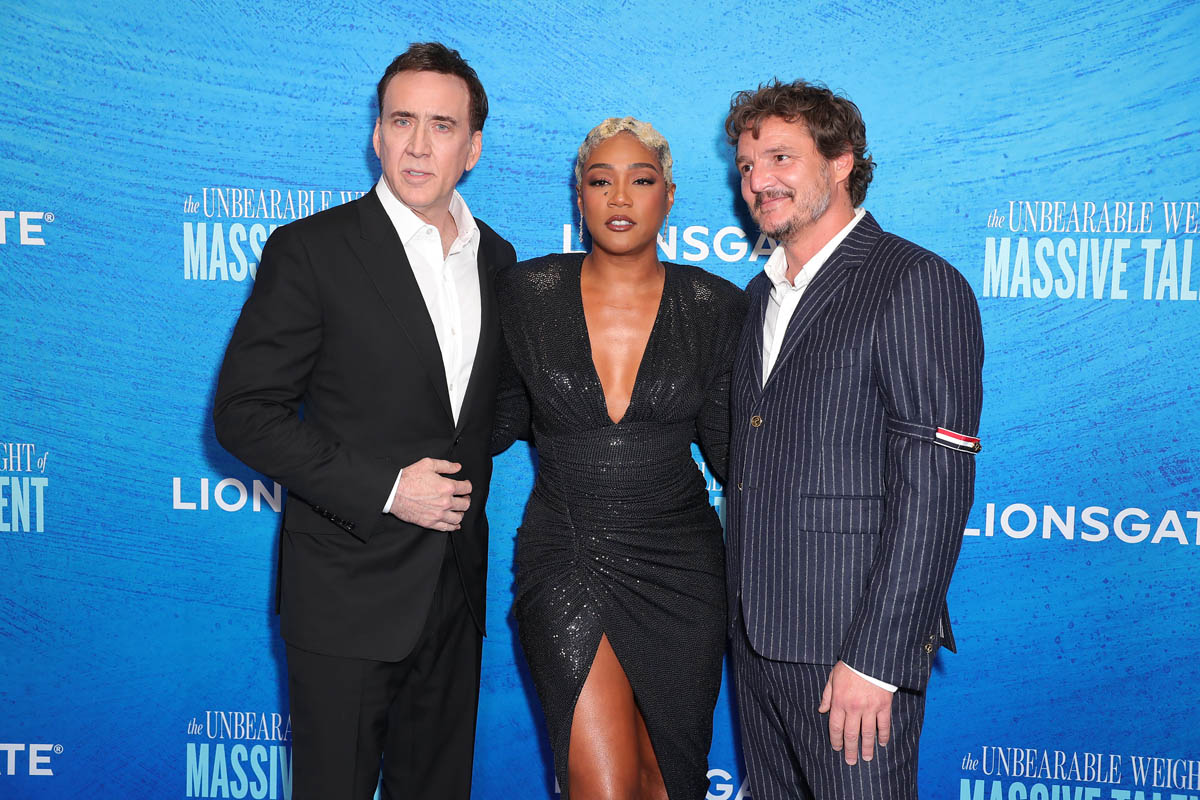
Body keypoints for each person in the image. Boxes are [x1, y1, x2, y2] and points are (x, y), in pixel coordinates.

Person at [212, 42, 515, 800]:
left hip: (454, 592)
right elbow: (245, 414)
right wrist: (388, 488)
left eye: (442, 125)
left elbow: (486, 413)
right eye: (401, 121)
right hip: (345, 594)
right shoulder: (311, 250)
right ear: (377, 134)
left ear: (473, 147)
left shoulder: (498, 261)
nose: (418, 145)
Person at [723, 79, 984, 800]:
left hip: (852, 654)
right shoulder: (758, 296)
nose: (759, 181)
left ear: (841, 162)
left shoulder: (915, 281)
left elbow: (935, 488)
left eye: (781, 158)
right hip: (756, 643)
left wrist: (877, 660)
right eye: (746, 165)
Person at [492, 117, 748, 800]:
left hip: (682, 568)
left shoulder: (716, 306)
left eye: (641, 180)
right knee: (600, 788)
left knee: (668, 782)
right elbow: (496, 417)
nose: (620, 198)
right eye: (601, 181)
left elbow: (732, 451)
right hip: (567, 557)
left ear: (669, 195)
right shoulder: (525, 294)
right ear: (579, 196)